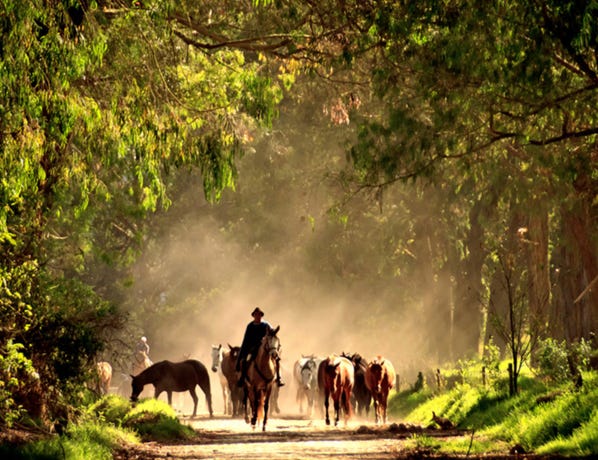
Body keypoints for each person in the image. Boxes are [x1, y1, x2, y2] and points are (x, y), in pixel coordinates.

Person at [236, 307, 284, 387]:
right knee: (244, 360)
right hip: (253, 347)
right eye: (256, 315)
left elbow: (272, 332)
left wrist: (274, 331)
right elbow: (246, 339)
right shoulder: (250, 326)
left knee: (276, 358)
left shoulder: (266, 324)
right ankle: (243, 378)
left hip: (265, 347)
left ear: (261, 316)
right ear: (253, 316)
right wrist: (245, 349)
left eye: (259, 315)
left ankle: (278, 378)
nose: (258, 316)